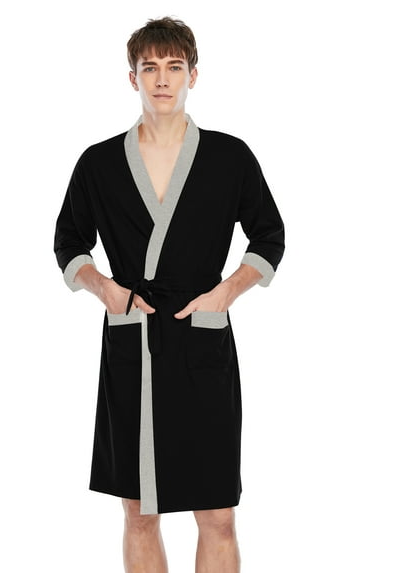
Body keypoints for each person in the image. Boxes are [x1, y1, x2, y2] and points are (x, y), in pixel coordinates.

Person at [54, 16, 284, 573]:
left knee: (218, 513)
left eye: (174, 67)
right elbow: (68, 242)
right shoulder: (98, 163)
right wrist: (106, 290)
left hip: (202, 340)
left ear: (193, 76)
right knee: (138, 512)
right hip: (133, 339)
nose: (162, 79)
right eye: (150, 67)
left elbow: (270, 236)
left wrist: (225, 293)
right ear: (132, 77)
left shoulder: (230, 157)